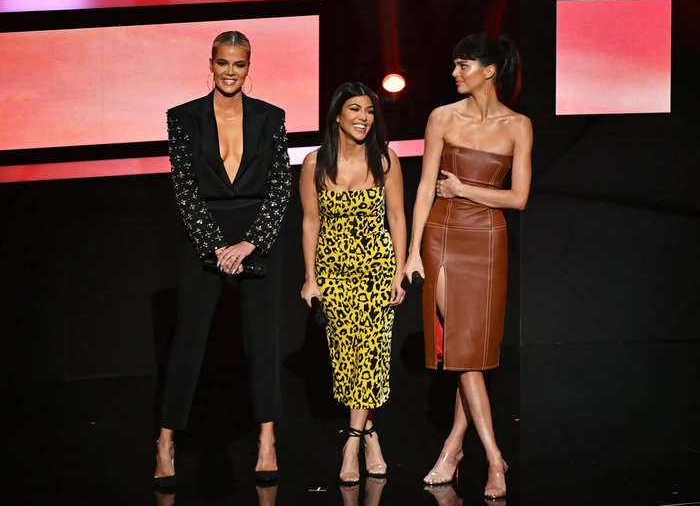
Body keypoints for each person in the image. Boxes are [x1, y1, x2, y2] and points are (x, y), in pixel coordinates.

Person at [153, 30, 291, 487]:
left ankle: (267, 438)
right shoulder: (182, 118)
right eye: (223, 63)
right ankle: (166, 441)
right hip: (204, 236)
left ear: (249, 66)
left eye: (240, 64)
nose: (231, 72)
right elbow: (185, 190)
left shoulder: (271, 117)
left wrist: (251, 243)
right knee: (188, 342)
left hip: (255, 237)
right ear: (210, 63)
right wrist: (215, 246)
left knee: (263, 342)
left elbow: (280, 187)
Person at [404, 33, 532, 500]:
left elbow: (518, 198)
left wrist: (464, 190)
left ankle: (454, 447)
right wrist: (412, 251)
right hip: (441, 236)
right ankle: (495, 459)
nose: (454, 74)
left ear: (489, 70)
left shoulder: (518, 125)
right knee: (461, 347)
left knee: (470, 352)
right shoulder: (442, 117)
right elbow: (423, 188)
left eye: (463, 66)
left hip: (488, 240)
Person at [299, 82, 406, 485]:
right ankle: (371, 435)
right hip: (333, 273)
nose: (363, 118)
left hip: (376, 268)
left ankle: (351, 443)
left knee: (370, 354)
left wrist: (398, 269)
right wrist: (310, 277)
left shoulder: (385, 160)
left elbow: (396, 217)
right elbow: (310, 221)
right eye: (355, 110)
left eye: (370, 111)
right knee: (348, 359)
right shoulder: (314, 163)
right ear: (338, 116)